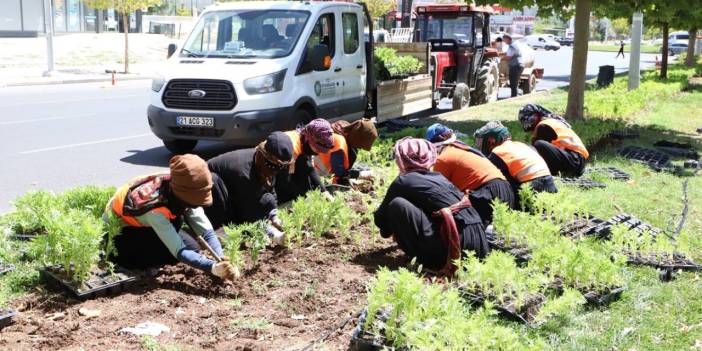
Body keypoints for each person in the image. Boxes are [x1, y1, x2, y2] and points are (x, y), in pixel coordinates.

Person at [105, 154, 237, 281]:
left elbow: (205, 231)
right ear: (184, 197)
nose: (196, 206)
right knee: (169, 255)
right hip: (121, 234)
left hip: (147, 224)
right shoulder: (155, 208)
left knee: (193, 249)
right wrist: (211, 267)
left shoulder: (181, 183)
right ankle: (133, 262)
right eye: (194, 202)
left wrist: (221, 257)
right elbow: (178, 250)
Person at [374, 137, 489, 276]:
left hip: (454, 250)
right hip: (478, 245)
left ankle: (426, 262)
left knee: (397, 205)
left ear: (401, 159)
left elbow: (380, 219)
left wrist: (388, 230)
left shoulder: (403, 181)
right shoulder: (439, 178)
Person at [206, 132, 294, 244]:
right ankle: (220, 230)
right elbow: (250, 214)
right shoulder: (244, 173)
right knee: (245, 222)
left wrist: (275, 215)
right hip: (212, 198)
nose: (275, 172)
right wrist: (272, 233)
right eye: (273, 167)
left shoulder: (262, 164)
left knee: (268, 201)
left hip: (234, 189)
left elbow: (271, 189)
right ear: (264, 158)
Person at [425, 123, 516, 225]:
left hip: (486, 192)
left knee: (474, 230)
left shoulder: (443, 158)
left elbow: (438, 191)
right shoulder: (463, 149)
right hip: (505, 188)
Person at [474, 121, 557, 196]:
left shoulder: (498, 151)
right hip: (550, 185)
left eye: (482, 141)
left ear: (491, 141)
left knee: (494, 183)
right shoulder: (521, 145)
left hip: (532, 189)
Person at [518, 104, 589, 178]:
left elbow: (539, 154)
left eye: (532, 119)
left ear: (538, 115)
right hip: (577, 161)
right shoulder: (551, 122)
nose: (529, 124)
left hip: (574, 161)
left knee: (538, 144)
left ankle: (544, 175)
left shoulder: (543, 126)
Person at [275, 118, 335, 203]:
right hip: (268, 174)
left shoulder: (303, 139)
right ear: (308, 139)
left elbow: (310, 169)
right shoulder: (292, 149)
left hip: (284, 169)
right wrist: (305, 198)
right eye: (317, 149)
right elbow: (285, 181)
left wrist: (324, 191)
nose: (318, 153)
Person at [313, 119, 378, 185]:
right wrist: (359, 175)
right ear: (358, 139)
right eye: (360, 146)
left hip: (320, 157)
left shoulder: (346, 127)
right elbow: (339, 172)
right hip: (316, 165)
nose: (360, 148)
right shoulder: (340, 144)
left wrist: (349, 178)